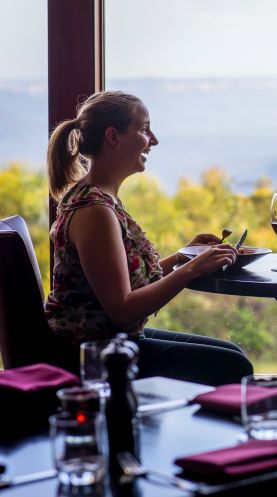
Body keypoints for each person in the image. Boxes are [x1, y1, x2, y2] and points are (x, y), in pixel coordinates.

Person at [45, 90, 253, 386]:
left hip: (110, 339)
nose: (153, 139)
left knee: (231, 352)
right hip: (95, 353)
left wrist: (183, 256)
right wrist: (193, 268)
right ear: (113, 137)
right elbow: (123, 309)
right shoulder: (94, 211)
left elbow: (120, 283)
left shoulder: (98, 198)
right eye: (144, 129)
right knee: (233, 365)